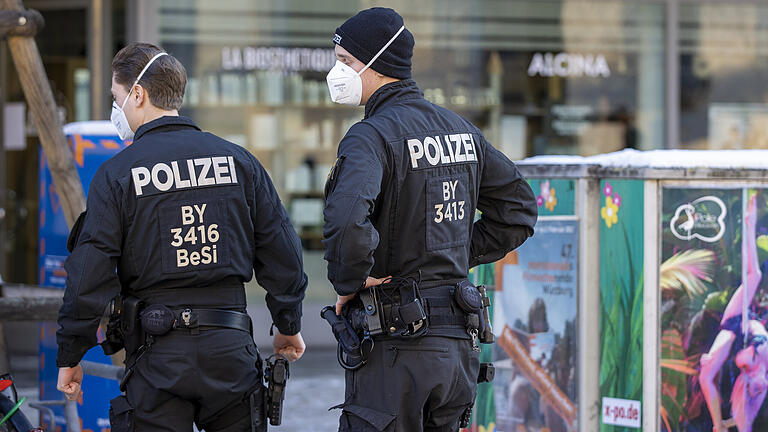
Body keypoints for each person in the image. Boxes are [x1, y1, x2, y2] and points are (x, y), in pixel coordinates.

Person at [55, 43, 307, 431]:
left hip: (159, 358)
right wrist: (287, 324)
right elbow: (282, 252)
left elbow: (90, 271)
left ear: (137, 94)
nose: (115, 108)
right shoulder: (239, 162)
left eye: (115, 98)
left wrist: (70, 354)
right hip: (230, 349)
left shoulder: (118, 173)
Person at [322, 8, 538, 431]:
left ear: (376, 64)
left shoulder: (373, 135)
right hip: (457, 348)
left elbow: (347, 219)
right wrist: (452, 251)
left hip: (395, 349)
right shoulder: (460, 129)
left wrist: (351, 280)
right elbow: (519, 210)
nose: (337, 71)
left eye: (345, 61)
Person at [700, 194, 768, 432]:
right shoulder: (762, 372)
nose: (762, 386)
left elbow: (739, 359)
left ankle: (719, 425)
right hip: (745, 322)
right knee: (756, 276)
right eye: (761, 388)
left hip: (734, 328)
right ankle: (749, 223)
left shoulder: (749, 365)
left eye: (756, 389)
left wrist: (711, 356)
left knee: (705, 377)